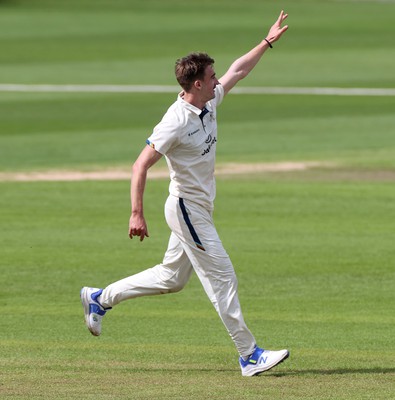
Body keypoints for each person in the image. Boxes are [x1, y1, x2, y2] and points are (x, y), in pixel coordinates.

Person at [81, 10, 289, 377]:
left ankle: (100, 298)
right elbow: (140, 165)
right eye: (211, 77)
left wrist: (267, 42)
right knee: (223, 276)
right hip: (186, 209)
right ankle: (249, 354)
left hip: (199, 209)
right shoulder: (174, 122)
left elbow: (238, 70)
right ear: (194, 84)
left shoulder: (207, 103)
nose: (216, 81)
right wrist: (135, 213)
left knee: (171, 279)